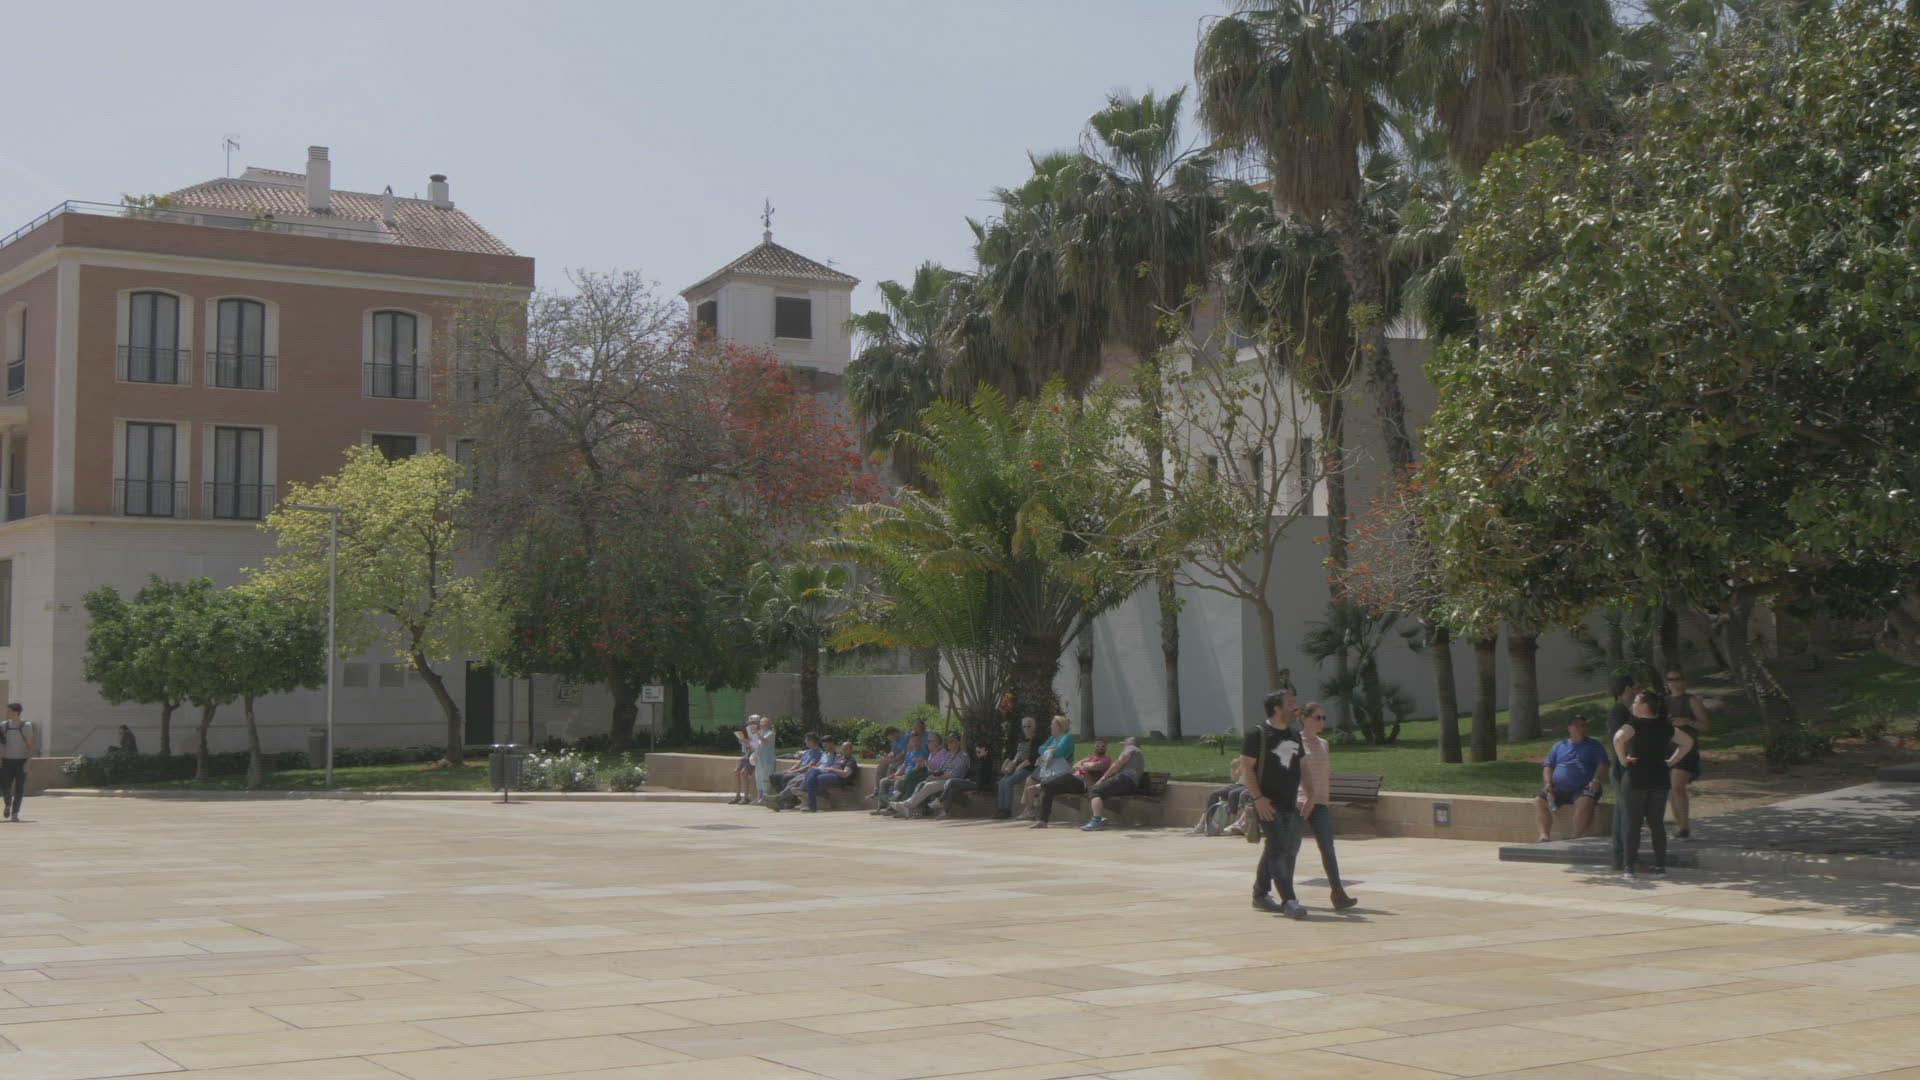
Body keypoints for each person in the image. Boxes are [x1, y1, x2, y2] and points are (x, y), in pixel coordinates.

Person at [1612, 689, 1696, 875]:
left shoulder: (1633, 725)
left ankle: (1629, 867)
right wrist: (1671, 761)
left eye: (1636, 701)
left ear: (1644, 705)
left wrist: (1623, 759)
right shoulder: (1665, 726)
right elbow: (1688, 742)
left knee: (1633, 823)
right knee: (1656, 823)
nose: (1633, 704)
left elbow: (1618, 739)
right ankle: (1660, 866)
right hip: (1659, 777)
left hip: (1636, 777)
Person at [1239, 689, 1307, 917]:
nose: (1296, 707)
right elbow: (1247, 768)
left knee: (1274, 848)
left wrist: (1310, 794)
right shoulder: (1257, 734)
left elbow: (1302, 766)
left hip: (1289, 802)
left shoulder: (1295, 734)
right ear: (1277, 708)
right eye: (1291, 703)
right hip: (1267, 803)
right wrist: (1258, 799)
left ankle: (1260, 893)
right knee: (1279, 849)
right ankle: (1289, 900)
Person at [1296, 703, 1357, 910]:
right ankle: (1269, 889)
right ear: (1304, 718)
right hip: (1300, 802)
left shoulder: (1324, 744)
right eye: (1317, 717)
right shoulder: (1295, 742)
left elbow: (1324, 774)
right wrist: (1305, 797)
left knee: (1328, 849)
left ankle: (1338, 893)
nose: (1321, 722)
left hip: (1320, 803)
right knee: (1289, 848)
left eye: (1324, 718)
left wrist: (1321, 797)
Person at [1533, 713, 1610, 843]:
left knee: (1586, 802)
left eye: (1584, 725)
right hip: (1558, 788)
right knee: (1539, 801)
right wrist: (1548, 783)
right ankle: (1544, 836)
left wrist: (1596, 780)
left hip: (1583, 788)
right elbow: (1548, 766)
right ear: (1569, 728)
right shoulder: (1559, 746)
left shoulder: (1594, 745)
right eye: (1577, 725)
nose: (1582, 728)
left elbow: (1602, 765)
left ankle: (1576, 836)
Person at [1664, 670, 1710, 839]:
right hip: (1667, 748)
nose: (1674, 682)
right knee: (1671, 788)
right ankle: (1680, 826)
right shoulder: (1664, 701)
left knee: (1677, 786)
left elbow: (1705, 726)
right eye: (1670, 679)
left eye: (1677, 679)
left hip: (1686, 748)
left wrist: (1687, 721)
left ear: (1683, 681)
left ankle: (1684, 827)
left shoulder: (1691, 700)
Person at [1604, 673, 1641, 871]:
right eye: (1636, 688)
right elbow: (1619, 741)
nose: (1637, 692)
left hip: (1619, 767)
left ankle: (1620, 858)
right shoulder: (1619, 712)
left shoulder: (1620, 711)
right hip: (1622, 768)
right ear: (1627, 688)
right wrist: (1625, 762)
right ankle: (1627, 859)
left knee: (1621, 814)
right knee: (1627, 815)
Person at [1031, 738, 1111, 828]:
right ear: (1094, 746)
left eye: (1103, 746)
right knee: (1049, 789)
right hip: (1073, 782)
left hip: (1083, 784)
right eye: (1098, 745)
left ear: (1106, 747)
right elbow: (1075, 766)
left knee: (1067, 776)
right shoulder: (1090, 757)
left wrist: (1084, 764)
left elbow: (1094, 766)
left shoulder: (1106, 759)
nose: (1100, 747)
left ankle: (1042, 784)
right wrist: (1085, 766)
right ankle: (1043, 821)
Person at [894, 734, 971, 817]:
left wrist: (937, 777)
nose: (949, 744)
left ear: (958, 743)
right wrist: (933, 775)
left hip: (952, 781)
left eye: (952, 741)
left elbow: (955, 774)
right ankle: (908, 805)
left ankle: (908, 805)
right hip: (943, 779)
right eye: (948, 741)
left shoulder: (963, 756)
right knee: (921, 783)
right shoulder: (949, 755)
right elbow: (940, 769)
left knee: (929, 785)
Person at [1081, 736, 1147, 831]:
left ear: (1130, 743)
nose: (1122, 746)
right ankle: (1099, 818)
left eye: (1124, 743)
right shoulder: (1138, 753)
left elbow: (1117, 764)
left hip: (1124, 780)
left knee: (1095, 790)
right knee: (1100, 792)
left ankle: (1096, 821)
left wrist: (1103, 778)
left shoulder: (1131, 748)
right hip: (1130, 785)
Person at [1020, 716, 1076, 820]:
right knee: (1030, 780)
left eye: (1052, 724)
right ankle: (1029, 809)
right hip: (1049, 766)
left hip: (1061, 769)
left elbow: (1059, 752)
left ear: (1059, 726)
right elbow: (1040, 749)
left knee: (1035, 782)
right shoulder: (1052, 738)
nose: (1050, 726)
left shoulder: (1067, 738)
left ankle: (1030, 809)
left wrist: (1051, 750)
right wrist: (1050, 749)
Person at [996, 716, 1040, 819]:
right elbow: (1013, 755)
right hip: (1017, 768)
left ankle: (1007, 810)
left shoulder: (1036, 740)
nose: (1026, 729)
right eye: (1024, 726)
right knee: (1002, 782)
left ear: (1033, 727)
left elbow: (1033, 759)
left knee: (1008, 782)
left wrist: (1019, 766)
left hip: (1028, 769)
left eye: (1029, 726)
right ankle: (1001, 809)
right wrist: (1006, 763)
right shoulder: (1021, 740)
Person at [794, 742, 858, 812]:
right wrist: (830, 768)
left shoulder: (851, 761)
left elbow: (845, 774)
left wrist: (832, 769)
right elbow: (834, 765)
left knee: (819, 778)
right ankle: (810, 797)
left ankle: (811, 802)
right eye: (843, 749)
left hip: (840, 778)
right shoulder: (841, 758)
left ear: (851, 750)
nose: (843, 751)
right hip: (830, 772)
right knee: (812, 770)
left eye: (846, 749)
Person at [873, 733, 929, 811]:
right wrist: (895, 775)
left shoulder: (923, 753)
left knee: (898, 782)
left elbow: (916, 770)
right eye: (913, 742)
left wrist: (900, 777)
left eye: (917, 741)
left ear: (921, 742)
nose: (915, 743)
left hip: (911, 777)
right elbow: (904, 765)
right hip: (904, 776)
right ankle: (883, 806)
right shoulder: (910, 753)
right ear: (910, 743)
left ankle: (893, 808)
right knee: (883, 781)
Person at [1, 703, 36, 822]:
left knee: (19, 788)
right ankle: (8, 804)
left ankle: (15, 813)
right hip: (6, 760)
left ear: (16, 712)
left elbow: (30, 745)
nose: (7, 713)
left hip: (21, 761)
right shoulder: (3, 725)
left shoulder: (26, 725)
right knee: (5, 786)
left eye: (9, 711)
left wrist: (28, 761)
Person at [730, 715, 763, 805]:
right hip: (748, 754)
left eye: (753, 723)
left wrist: (748, 742)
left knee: (744, 773)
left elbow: (758, 746)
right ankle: (737, 796)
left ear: (758, 723)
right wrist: (743, 742)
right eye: (750, 723)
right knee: (736, 771)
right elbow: (747, 747)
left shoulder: (761, 731)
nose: (751, 725)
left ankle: (745, 797)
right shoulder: (749, 729)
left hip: (755, 755)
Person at [751, 716, 778, 806]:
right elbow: (755, 745)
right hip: (759, 759)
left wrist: (756, 734)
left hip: (767, 760)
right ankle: (759, 797)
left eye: (764, 723)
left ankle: (765, 798)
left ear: (768, 725)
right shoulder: (759, 733)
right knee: (758, 778)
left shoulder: (771, 733)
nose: (762, 725)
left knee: (765, 779)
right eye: (761, 723)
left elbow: (765, 741)